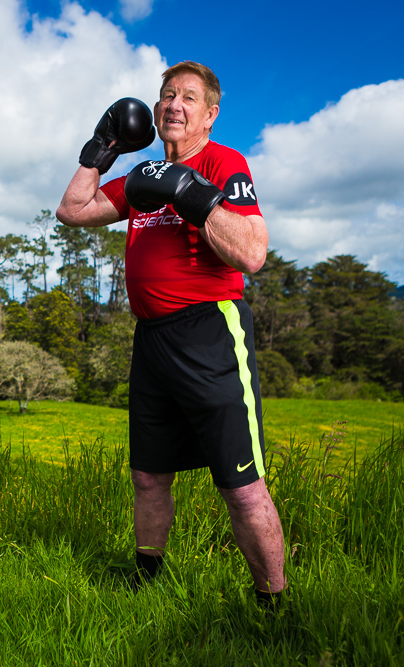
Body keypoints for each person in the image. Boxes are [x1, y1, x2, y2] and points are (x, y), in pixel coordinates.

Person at [56, 61, 286, 606]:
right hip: (152, 339)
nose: (172, 105)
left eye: (187, 97)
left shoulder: (223, 162)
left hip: (211, 331)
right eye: (165, 96)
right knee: (149, 475)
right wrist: (101, 147)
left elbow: (252, 252)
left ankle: (273, 603)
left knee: (241, 485)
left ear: (210, 113)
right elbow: (72, 210)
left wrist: (196, 194)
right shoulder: (145, 179)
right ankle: (145, 580)